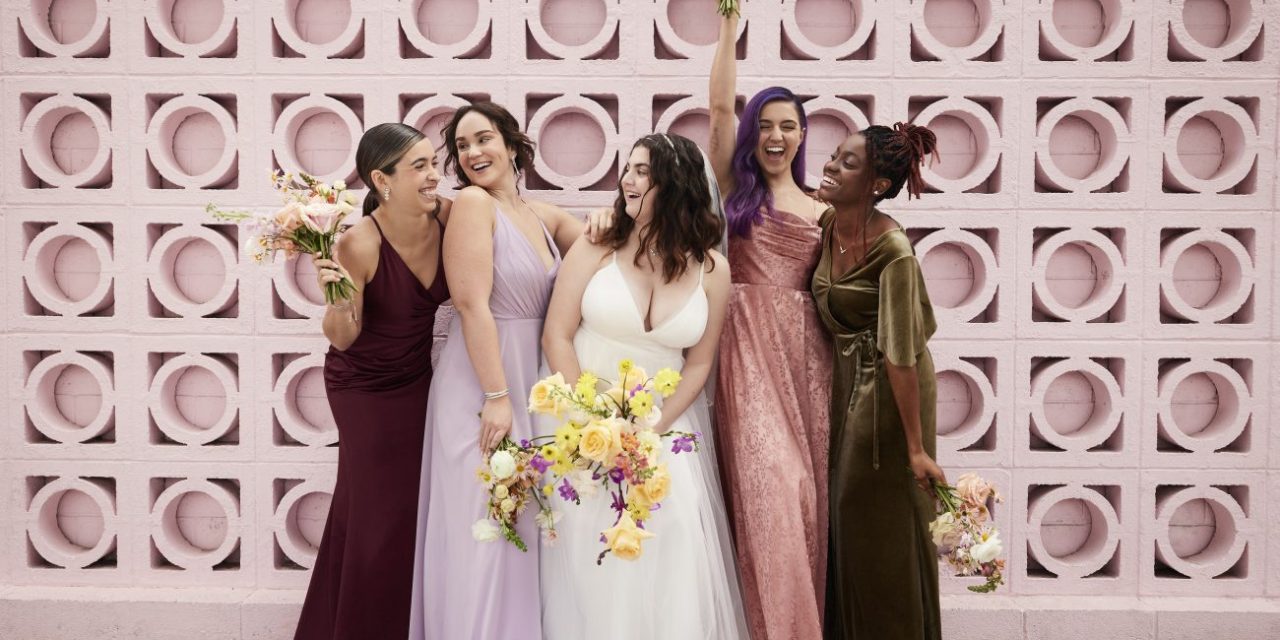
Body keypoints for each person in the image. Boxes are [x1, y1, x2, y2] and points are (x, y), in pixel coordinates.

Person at [539, 133, 748, 639]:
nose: (627, 180)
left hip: (662, 429)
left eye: (641, 172)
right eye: (627, 169)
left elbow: (699, 364)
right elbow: (557, 335)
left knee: (671, 541)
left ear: (675, 186)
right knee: (588, 552)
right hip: (581, 426)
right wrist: (595, 420)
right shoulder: (599, 243)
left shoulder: (714, 270)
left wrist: (649, 428)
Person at [408, 101, 602, 640]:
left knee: (522, 526)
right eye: (462, 146)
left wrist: (613, 216)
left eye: (483, 139)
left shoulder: (541, 215)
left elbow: (603, 245)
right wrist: (497, 395)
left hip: (532, 382)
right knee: (486, 531)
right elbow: (471, 305)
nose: (472, 153)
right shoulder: (472, 204)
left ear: (513, 146)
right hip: (482, 382)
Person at [294, 123, 450, 640]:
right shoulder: (358, 243)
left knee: (400, 512)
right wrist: (335, 295)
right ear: (382, 180)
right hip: (364, 387)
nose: (435, 175)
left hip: (419, 381)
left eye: (433, 162)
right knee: (379, 515)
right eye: (420, 167)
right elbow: (343, 338)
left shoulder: (449, 220)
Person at [707, 8, 833, 639]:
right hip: (744, 347)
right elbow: (719, 113)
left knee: (807, 498)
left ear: (804, 135)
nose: (777, 135)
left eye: (790, 126)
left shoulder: (824, 208)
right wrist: (730, 28)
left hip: (808, 359)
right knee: (770, 489)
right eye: (767, 126)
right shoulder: (734, 190)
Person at [811, 122, 946, 640]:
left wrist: (916, 449)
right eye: (834, 155)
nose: (829, 166)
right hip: (847, 384)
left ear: (876, 186)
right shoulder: (829, 224)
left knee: (876, 527)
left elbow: (903, 354)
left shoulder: (894, 252)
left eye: (847, 163)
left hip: (890, 394)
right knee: (848, 524)